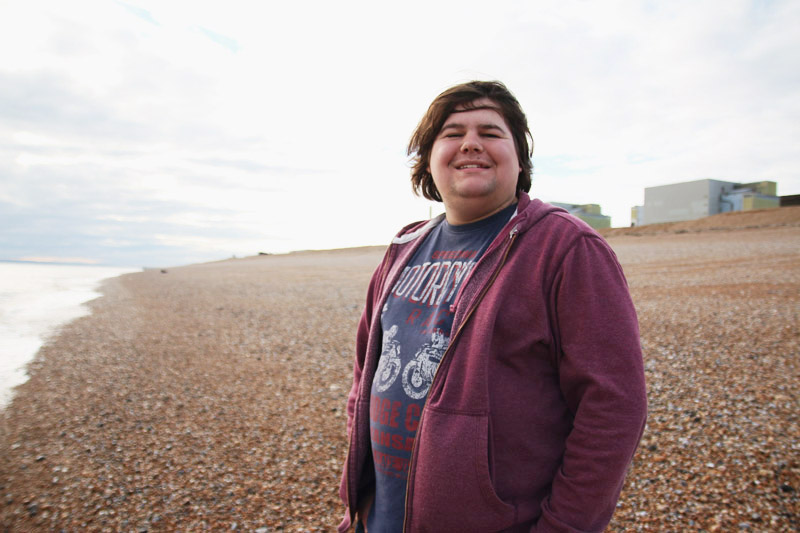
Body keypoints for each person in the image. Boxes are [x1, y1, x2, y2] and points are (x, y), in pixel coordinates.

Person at [338, 80, 647, 532]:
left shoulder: (564, 248)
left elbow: (614, 407)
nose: (470, 144)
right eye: (452, 132)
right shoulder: (404, 246)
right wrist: (359, 501)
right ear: (428, 159)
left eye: (491, 132)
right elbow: (364, 372)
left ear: (520, 159)